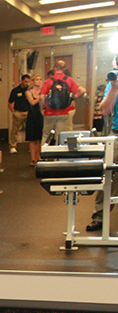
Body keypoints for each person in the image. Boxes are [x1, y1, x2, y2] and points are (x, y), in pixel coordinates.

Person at [86, 58, 118, 232]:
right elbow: (105, 110)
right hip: (117, 135)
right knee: (109, 176)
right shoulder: (113, 85)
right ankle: (99, 216)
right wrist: (114, 87)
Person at [39, 60, 86, 143]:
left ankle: (45, 155)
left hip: (49, 112)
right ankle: (58, 155)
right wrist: (73, 99)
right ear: (64, 69)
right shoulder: (70, 80)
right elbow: (79, 92)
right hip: (64, 112)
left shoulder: (48, 81)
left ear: (55, 68)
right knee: (60, 136)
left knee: (46, 135)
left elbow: (42, 97)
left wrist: (42, 108)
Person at [7, 74, 32, 154]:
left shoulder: (30, 90)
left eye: (28, 82)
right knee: (15, 130)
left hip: (28, 112)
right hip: (18, 112)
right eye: (25, 81)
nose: (26, 83)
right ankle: (13, 146)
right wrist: (13, 112)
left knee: (31, 130)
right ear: (21, 81)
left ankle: (31, 147)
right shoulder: (15, 90)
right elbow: (10, 102)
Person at [25, 73, 44, 166]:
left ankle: (39, 157)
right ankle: (33, 159)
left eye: (40, 79)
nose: (39, 81)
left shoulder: (42, 91)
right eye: (37, 79)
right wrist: (40, 98)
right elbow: (32, 102)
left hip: (41, 115)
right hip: (32, 116)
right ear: (32, 81)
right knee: (33, 139)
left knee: (40, 138)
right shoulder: (28, 92)